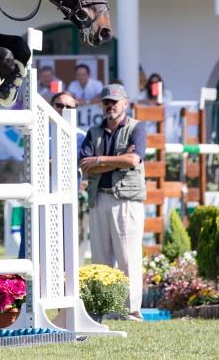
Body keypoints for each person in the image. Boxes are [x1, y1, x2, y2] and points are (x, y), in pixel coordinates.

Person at [79, 84, 146, 321]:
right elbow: (84, 164)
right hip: (99, 197)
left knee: (128, 257)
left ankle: (131, 310)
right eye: (107, 101)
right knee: (100, 257)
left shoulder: (137, 128)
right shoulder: (93, 131)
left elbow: (132, 160)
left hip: (126, 200)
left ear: (125, 103)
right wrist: (115, 161)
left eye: (115, 102)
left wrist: (100, 160)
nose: (110, 106)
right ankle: (106, 308)